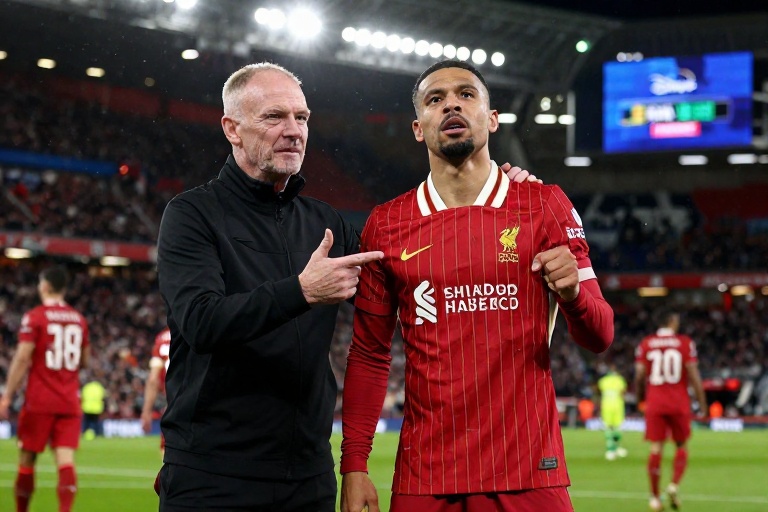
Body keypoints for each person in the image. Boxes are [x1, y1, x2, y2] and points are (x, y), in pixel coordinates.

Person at [156, 61, 538, 511]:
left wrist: (493, 193)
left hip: (309, 477)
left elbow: (416, 270)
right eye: (274, 117)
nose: (294, 130)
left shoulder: (325, 222)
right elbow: (201, 322)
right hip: (213, 475)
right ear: (232, 129)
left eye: (302, 118)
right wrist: (301, 291)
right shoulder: (191, 215)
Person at [339, 60, 614, 512]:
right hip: (425, 478)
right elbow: (369, 353)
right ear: (417, 128)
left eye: (466, 94)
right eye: (435, 99)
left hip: (529, 474)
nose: (451, 104)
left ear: (492, 119)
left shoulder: (545, 205)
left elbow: (600, 335)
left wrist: (573, 297)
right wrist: (354, 464)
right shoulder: (386, 224)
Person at [0, 266, 90, 512]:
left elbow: (22, 358)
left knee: (27, 459)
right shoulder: (79, 319)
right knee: (65, 461)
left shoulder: (35, 317)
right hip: (69, 400)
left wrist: (7, 395)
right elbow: (84, 361)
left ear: (46, 286)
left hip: (40, 399)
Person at [635, 310, 706, 512]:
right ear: (672, 322)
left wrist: (641, 400)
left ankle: (654, 498)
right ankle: (673, 485)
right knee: (681, 444)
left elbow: (639, 376)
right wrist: (702, 403)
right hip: (678, 402)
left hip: (655, 402)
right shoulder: (684, 343)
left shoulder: (646, 343)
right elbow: (693, 374)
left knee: (656, 448)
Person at [140, 326, 170, 455]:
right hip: (202, 401)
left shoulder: (162, 338)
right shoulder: (200, 328)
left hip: (174, 405)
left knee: (169, 453)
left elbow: (153, 379)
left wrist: (146, 411)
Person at [597, 364, 628, 460]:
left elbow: (599, 391)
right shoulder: (620, 380)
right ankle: (613, 449)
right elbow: (623, 393)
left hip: (606, 406)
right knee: (617, 428)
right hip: (618, 406)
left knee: (609, 428)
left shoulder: (603, 381)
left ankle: (612, 449)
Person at [81, 372, 106, 440]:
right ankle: (96, 434)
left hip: (87, 408)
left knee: (86, 422)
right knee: (95, 422)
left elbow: (82, 397)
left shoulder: (86, 387)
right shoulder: (99, 387)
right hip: (96, 408)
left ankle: (83, 433)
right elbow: (103, 397)